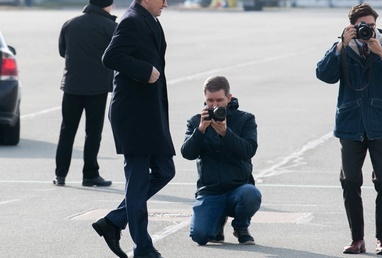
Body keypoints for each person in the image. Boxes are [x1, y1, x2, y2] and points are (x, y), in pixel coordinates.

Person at [91, 0, 175, 257]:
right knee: (137, 182)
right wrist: (144, 70)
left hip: (149, 113)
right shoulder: (131, 20)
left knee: (165, 170)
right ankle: (143, 248)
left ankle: (114, 220)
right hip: (134, 116)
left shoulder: (149, 19)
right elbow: (111, 56)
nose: (166, 3)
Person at [316, 3, 382, 255]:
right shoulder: (343, 47)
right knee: (350, 180)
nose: (368, 31)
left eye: (371, 26)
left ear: (376, 24)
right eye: (362, 27)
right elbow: (323, 74)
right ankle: (357, 239)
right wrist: (340, 45)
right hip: (351, 124)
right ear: (352, 27)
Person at [181, 75, 262, 246]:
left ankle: (241, 227)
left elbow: (249, 150)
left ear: (229, 98)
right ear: (204, 98)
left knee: (251, 194)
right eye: (210, 100)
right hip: (210, 190)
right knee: (200, 236)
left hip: (238, 187)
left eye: (219, 100)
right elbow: (187, 153)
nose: (214, 105)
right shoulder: (196, 121)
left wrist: (226, 133)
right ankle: (217, 223)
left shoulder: (245, 119)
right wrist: (200, 130)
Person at [53, 0, 116, 187]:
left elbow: (62, 51)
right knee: (93, 132)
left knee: (67, 130)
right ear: (108, 4)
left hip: (72, 85)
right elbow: (116, 55)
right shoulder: (111, 27)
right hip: (97, 87)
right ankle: (90, 174)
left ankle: (60, 174)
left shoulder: (71, 23)